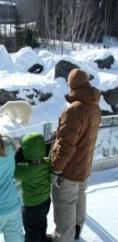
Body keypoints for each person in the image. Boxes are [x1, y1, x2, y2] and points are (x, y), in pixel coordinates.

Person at [51, 69, 101, 242]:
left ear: (72, 85)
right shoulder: (95, 107)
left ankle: (63, 238)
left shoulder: (74, 110)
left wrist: (56, 169)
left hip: (69, 170)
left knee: (65, 205)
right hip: (84, 166)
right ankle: (77, 231)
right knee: (80, 198)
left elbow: (66, 146)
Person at [15, 132, 52, 242]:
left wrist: (18, 158)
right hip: (45, 201)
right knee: (42, 222)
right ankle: (43, 239)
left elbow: (14, 172)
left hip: (32, 206)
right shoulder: (47, 162)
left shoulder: (24, 169)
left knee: (32, 230)